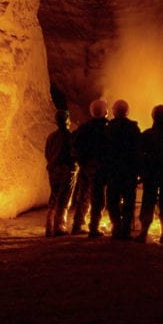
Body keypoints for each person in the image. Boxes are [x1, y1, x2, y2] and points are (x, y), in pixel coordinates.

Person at [136, 104, 163, 243]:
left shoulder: (146, 134)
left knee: (148, 200)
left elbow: (139, 155)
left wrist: (141, 172)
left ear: (153, 117)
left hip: (151, 173)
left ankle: (143, 233)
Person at [70, 99, 110, 237]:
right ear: (105, 112)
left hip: (85, 167)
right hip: (99, 168)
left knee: (83, 196)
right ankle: (94, 228)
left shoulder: (83, 128)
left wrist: (82, 163)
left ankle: (77, 225)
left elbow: (74, 148)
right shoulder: (107, 129)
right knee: (98, 198)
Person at [104, 98, 142, 239]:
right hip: (129, 172)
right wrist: (139, 171)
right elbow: (138, 151)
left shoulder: (108, 128)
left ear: (113, 112)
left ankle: (116, 227)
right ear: (127, 112)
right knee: (129, 202)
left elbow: (103, 151)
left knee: (112, 201)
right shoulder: (134, 128)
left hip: (113, 171)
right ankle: (126, 229)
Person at [44, 109, 76, 236]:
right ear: (67, 120)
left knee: (54, 195)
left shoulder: (51, 137)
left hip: (53, 170)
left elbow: (47, 153)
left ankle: (49, 226)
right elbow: (74, 154)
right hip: (67, 170)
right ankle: (59, 227)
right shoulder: (70, 137)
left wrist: (53, 164)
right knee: (64, 198)